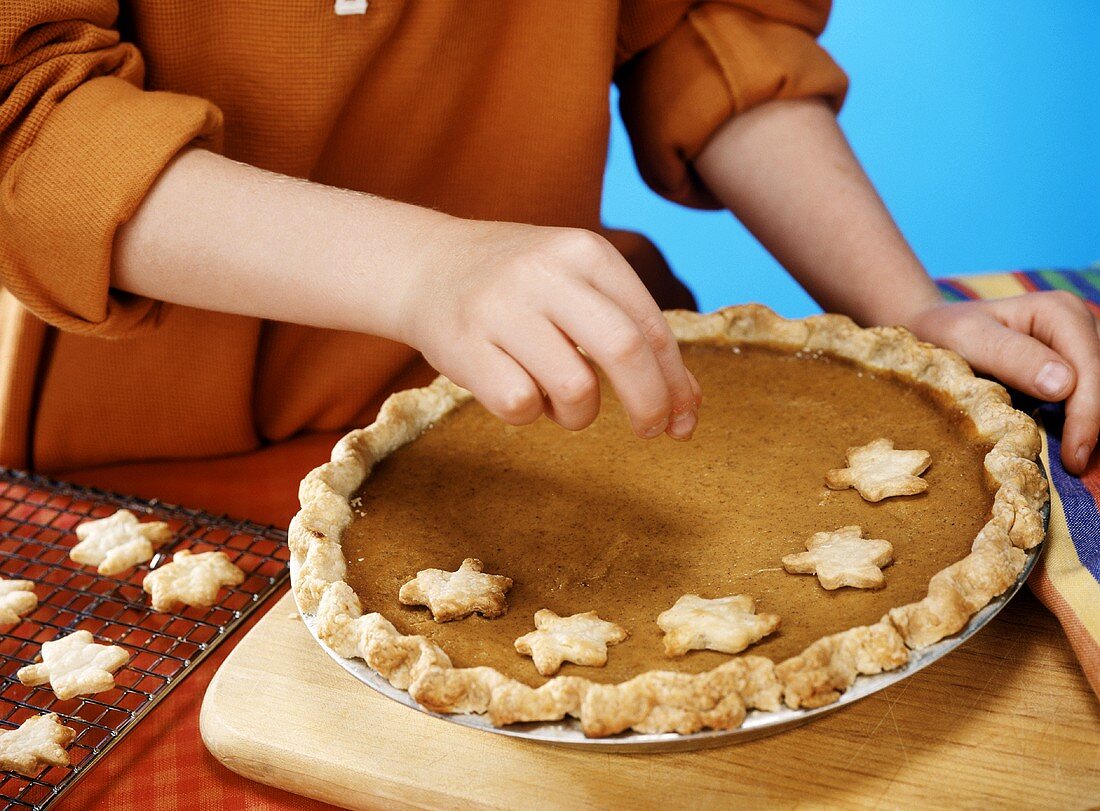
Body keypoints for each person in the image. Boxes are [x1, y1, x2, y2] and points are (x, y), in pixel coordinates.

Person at [1, 2, 1096, 477]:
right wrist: (424, 268)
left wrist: (904, 307)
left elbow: (702, 21)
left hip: (567, 417)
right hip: (174, 456)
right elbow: (26, 113)